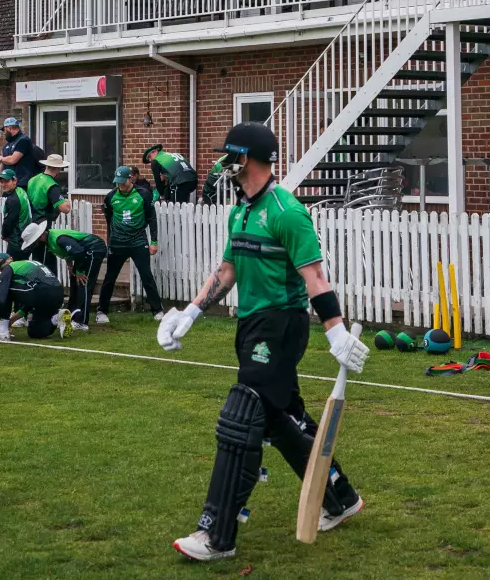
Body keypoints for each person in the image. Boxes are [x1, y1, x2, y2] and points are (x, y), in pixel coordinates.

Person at [155, 122, 366, 562]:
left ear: (245, 160)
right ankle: (340, 497)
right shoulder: (241, 212)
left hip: (282, 325)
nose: (221, 167)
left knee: (243, 411)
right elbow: (227, 271)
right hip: (251, 325)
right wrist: (189, 313)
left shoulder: (287, 212)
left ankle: (217, 534)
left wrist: (336, 331)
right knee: (278, 418)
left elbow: (315, 277)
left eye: (227, 158)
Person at [98, 165, 164, 321]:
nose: (120, 185)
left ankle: (157, 310)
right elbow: (109, 219)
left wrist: (153, 241)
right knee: (110, 277)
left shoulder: (143, 194)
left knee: (146, 275)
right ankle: (101, 311)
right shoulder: (110, 197)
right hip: (118, 242)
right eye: (117, 182)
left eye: (123, 181)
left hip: (138, 241)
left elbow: (151, 218)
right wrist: (110, 240)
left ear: (130, 178)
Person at [0, 253, 64, 340]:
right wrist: (11, 320)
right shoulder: (27, 263)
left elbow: (1, 299)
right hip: (58, 294)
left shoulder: (9, 268)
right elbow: (29, 302)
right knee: (34, 331)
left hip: (42, 292)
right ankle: (57, 318)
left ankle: (3, 332)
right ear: (10, 258)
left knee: (5, 290)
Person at [45, 223, 108, 329]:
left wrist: (79, 271)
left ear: (42, 235)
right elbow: (67, 252)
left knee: (84, 283)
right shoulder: (48, 241)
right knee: (74, 284)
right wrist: (70, 266)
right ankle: (71, 315)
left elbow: (78, 252)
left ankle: (81, 322)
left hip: (94, 248)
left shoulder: (58, 238)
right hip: (83, 254)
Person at [0, 117, 44, 184]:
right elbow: (2, 166)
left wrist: (1, 158)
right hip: (10, 183)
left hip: (21, 183)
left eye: (4, 130)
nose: (4, 133)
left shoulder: (23, 140)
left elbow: (12, 160)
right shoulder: (7, 145)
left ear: (9, 128)